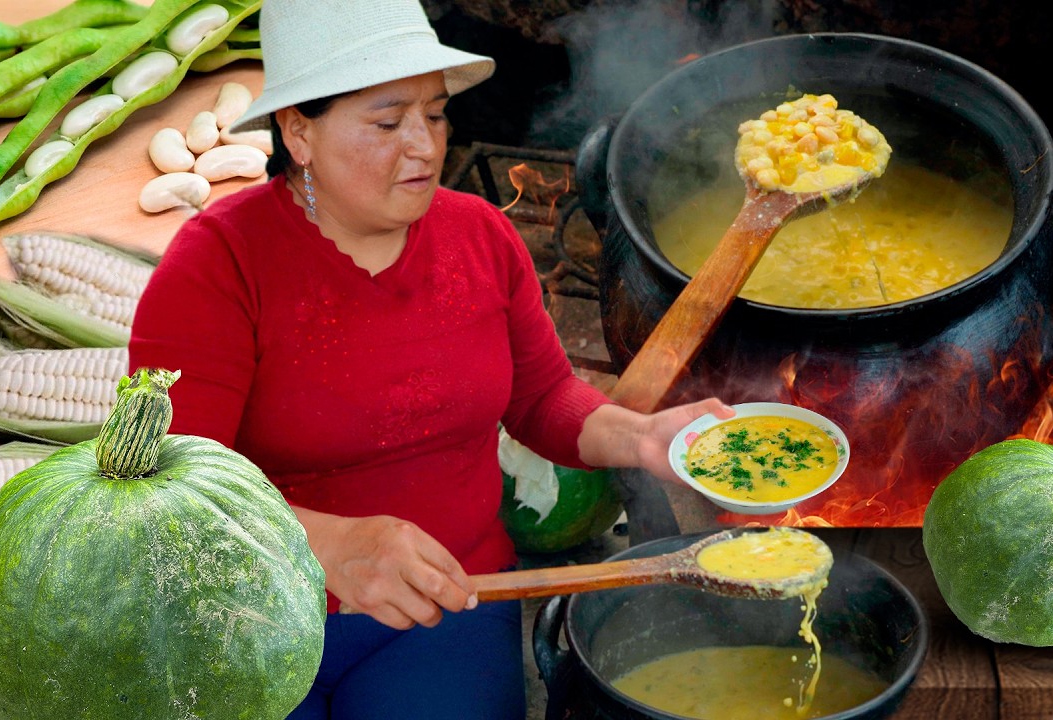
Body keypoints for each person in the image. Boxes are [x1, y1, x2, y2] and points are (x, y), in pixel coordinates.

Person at [128, 0, 732, 717]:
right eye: (387, 122)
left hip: (448, 596)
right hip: (248, 610)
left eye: (436, 114)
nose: (424, 146)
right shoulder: (217, 266)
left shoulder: (480, 235)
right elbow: (161, 489)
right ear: (299, 132)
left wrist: (640, 436)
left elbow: (541, 399)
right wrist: (328, 544)